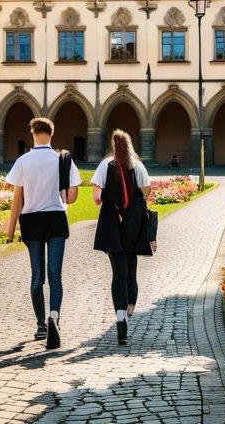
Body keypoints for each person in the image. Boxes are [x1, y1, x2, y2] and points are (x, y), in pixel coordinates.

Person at [5, 117, 81, 350]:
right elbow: (72, 197)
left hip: (32, 220)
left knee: (37, 275)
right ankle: (54, 317)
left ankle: (40, 325)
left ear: (33, 133)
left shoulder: (23, 161)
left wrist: (10, 230)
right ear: (51, 133)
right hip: (56, 218)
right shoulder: (62, 159)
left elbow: (17, 198)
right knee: (55, 275)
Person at [91, 128, 155, 346]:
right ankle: (128, 312)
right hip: (133, 224)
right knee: (131, 271)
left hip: (111, 224)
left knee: (118, 273)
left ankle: (119, 318)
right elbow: (145, 192)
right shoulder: (138, 166)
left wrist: (108, 198)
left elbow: (97, 197)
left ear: (112, 144)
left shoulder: (104, 165)